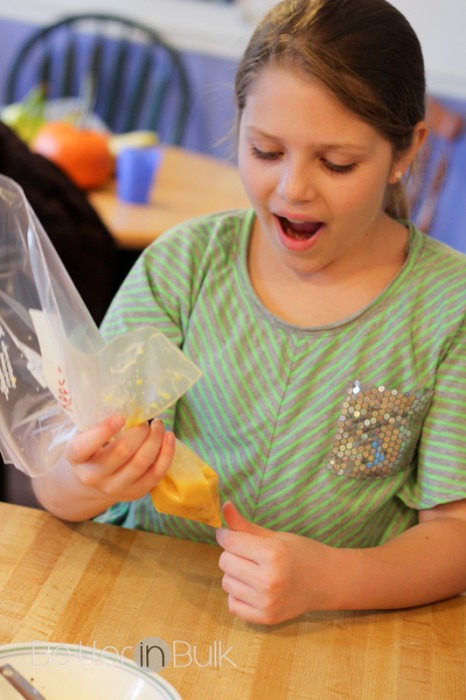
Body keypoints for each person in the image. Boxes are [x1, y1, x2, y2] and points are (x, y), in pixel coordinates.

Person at [32, 0, 466, 626]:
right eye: (265, 151)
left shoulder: (448, 309)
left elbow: (455, 534)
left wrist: (330, 580)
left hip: (338, 634)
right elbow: (55, 485)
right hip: (151, 608)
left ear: (405, 151)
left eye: (336, 163)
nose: (293, 188)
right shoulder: (183, 267)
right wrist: (87, 478)